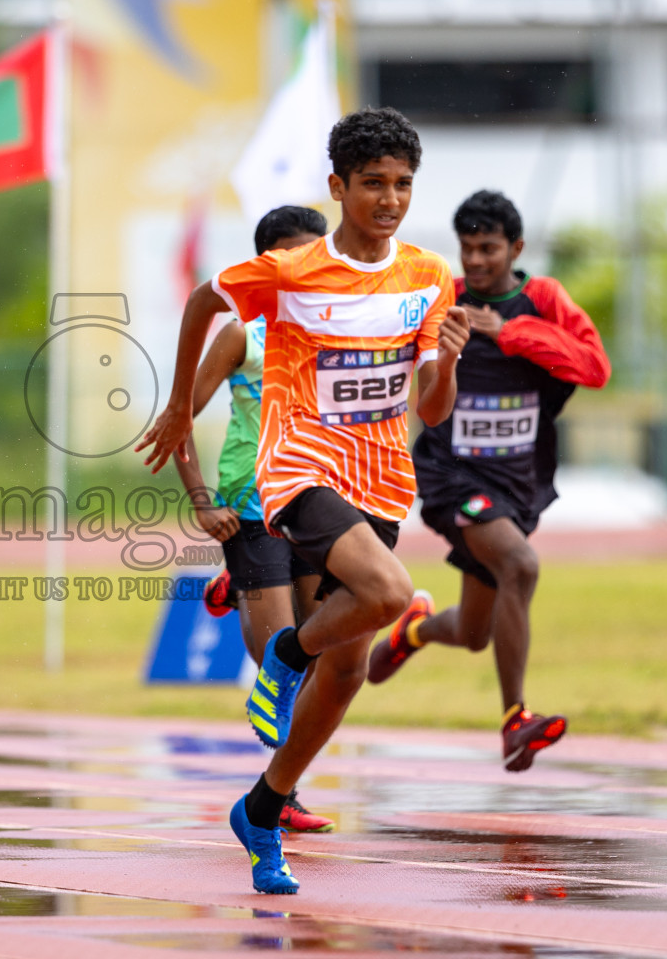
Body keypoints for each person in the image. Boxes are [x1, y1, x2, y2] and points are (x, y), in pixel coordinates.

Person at [139, 107, 470, 894]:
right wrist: (183, 405)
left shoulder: (428, 276)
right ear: (338, 187)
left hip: (382, 475)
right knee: (389, 594)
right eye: (372, 184)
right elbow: (201, 302)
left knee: (350, 670)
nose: (389, 200)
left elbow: (430, 411)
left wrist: (449, 362)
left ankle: (263, 807)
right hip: (297, 468)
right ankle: (285, 657)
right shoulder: (290, 271)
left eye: (402, 185)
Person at [366, 190, 609, 772]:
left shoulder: (542, 299)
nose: (475, 261)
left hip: (519, 482)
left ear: (515, 248)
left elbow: (594, 367)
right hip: (453, 474)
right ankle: (515, 721)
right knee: (520, 565)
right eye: (467, 249)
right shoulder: (442, 298)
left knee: (474, 632)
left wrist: (506, 333)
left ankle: (417, 629)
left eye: (488, 249)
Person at [172, 205, 332, 835]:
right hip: (251, 508)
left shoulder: (340, 331)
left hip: (320, 507)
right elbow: (178, 417)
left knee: (322, 655)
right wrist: (201, 500)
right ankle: (279, 794)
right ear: (266, 265)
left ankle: (233, 588)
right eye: (294, 258)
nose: (309, 270)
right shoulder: (242, 333)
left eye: (318, 257)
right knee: (279, 662)